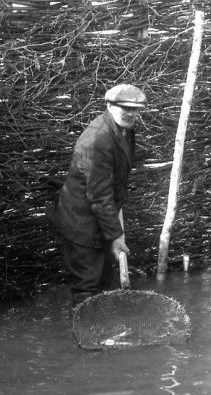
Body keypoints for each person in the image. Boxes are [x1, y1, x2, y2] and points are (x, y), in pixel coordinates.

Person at [48, 84, 147, 306]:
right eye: (126, 108)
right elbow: (99, 197)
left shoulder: (125, 131)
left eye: (136, 109)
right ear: (110, 106)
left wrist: (118, 235)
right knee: (87, 287)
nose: (132, 114)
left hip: (101, 218)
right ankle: (84, 334)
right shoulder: (97, 139)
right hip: (80, 221)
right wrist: (114, 236)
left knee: (103, 283)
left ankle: (103, 333)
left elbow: (117, 187)